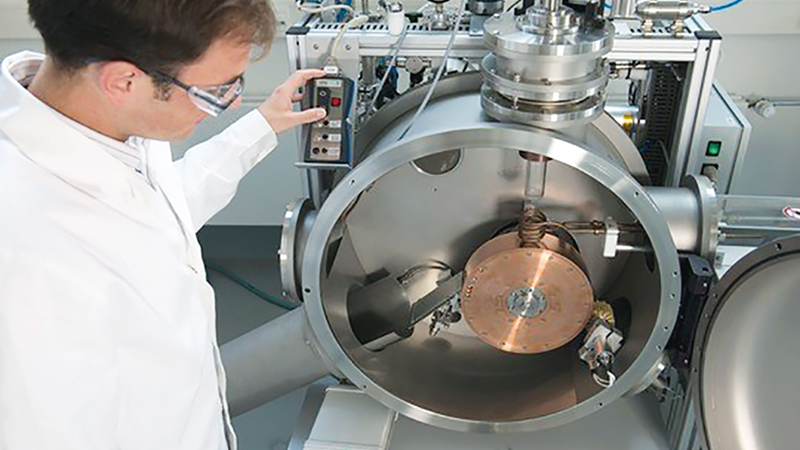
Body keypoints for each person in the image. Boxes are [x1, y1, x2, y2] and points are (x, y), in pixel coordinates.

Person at [0, 1, 327, 449]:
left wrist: (261, 125)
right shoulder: (27, 259)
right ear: (123, 81)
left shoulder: (108, 123)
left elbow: (156, 216)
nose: (230, 103)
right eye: (216, 91)